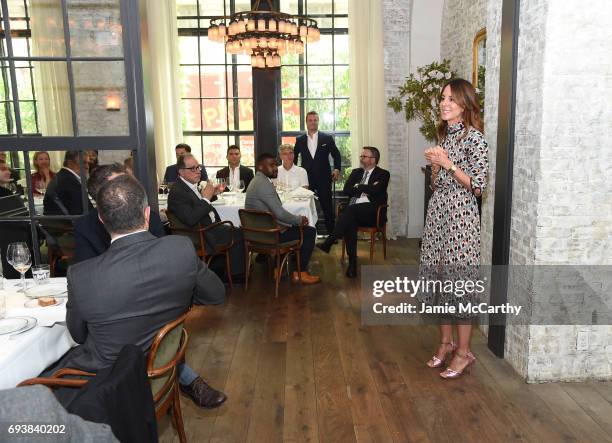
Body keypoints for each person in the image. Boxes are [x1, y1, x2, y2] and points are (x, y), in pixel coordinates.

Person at [50, 174, 228, 409]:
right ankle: (187, 380)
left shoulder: (81, 276)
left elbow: (78, 335)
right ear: (146, 214)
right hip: (160, 367)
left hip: (106, 387)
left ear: (102, 220)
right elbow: (216, 294)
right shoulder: (180, 249)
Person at [420, 78, 489, 379]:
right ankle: (445, 343)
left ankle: (464, 353)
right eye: (443, 98)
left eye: (452, 99)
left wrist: (447, 164)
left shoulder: (476, 139)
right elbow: (438, 185)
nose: (444, 103)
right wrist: (436, 168)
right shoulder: (445, 135)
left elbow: (478, 186)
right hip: (439, 215)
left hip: (461, 218)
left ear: (465, 105)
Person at [168, 153, 246, 281]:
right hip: (201, 234)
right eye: (192, 169)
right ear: (181, 172)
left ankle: (225, 268)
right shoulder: (178, 192)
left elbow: (197, 204)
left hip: (207, 227)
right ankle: (235, 275)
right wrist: (205, 198)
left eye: (198, 167)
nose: (198, 171)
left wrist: (212, 195)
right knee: (240, 233)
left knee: (237, 230)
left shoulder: (188, 185)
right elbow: (190, 218)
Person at [245, 153, 320, 284]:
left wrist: (291, 223)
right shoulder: (263, 184)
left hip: (257, 234)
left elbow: (275, 214)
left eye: (275, 164)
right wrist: (299, 220)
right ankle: (300, 273)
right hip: (269, 235)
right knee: (309, 231)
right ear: (261, 167)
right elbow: (280, 213)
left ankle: (277, 269)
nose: (275, 168)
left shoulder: (258, 180)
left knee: (287, 227)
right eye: (271, 165)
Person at [317, 146, 390, 278]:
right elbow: (347, 189)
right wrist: (366, 188)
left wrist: (359, 186)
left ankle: (330, 240)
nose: (361, 158)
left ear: (373, 159)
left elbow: (376, 191)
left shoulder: (383, 174)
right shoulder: (356, 172)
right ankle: (352, 266)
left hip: (372, 213)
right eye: (361, 156)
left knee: (350, 211)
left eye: (364, 156)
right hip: (355, 212)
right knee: (351, 219)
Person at [73, 163, 166, 263]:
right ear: (101, 195)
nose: (129, 187)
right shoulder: (84, 227)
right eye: (120, 184)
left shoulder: (150, 217)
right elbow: (89, 270)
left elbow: (161, 260)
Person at [293, 111, 341, 234]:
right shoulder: (300, 140)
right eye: (310, 120)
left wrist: (336, 169)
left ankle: (332, 235)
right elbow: (294, 157)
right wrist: (293, 172)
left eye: (315, 120)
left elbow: (337, 155)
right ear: (306, 122)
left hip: (324, 178)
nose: (313, 122)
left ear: (318, 121)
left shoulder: (327, 138)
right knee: (305, 206)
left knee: (327, 207)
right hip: (306, 179)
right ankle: (307, 234)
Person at [43, 151, 93, 215]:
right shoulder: (70, 181)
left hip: (57, 222)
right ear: (70, 163)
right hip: (68, 223)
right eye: (83, 163)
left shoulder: (61, 176)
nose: (87, 166)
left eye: (88, 163)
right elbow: (83, 212)